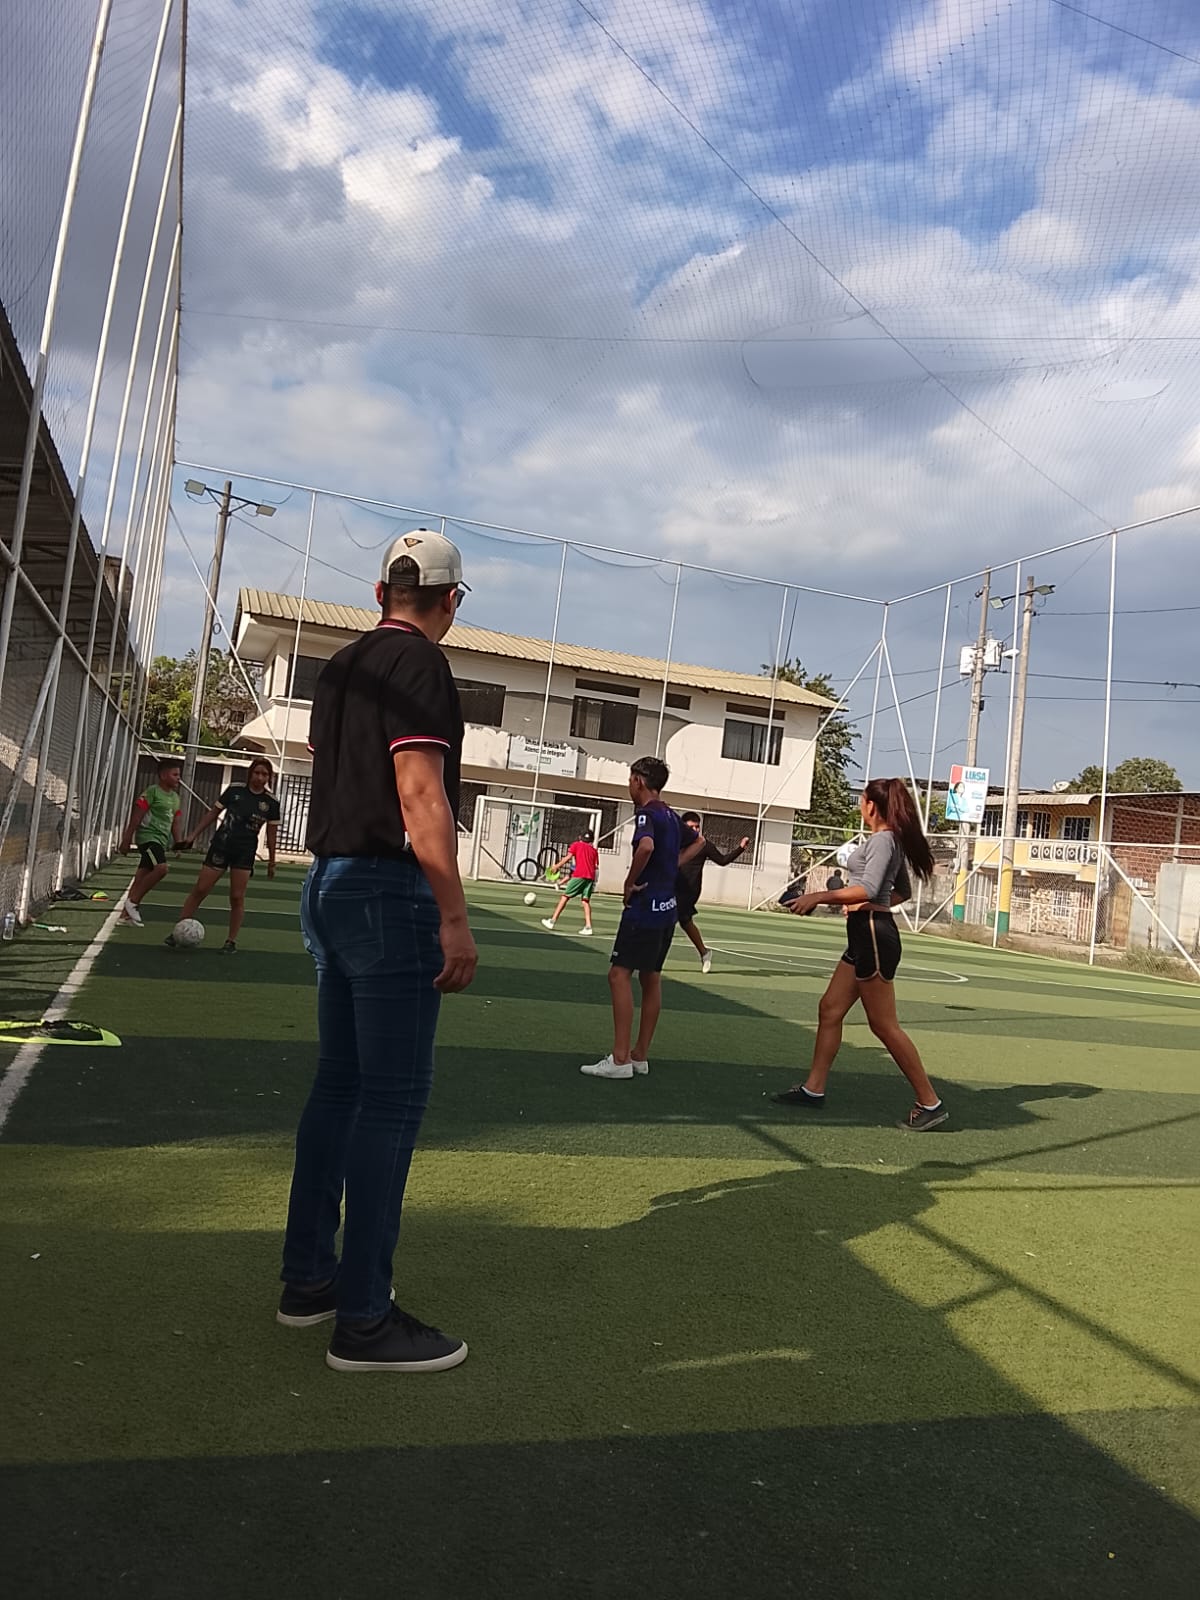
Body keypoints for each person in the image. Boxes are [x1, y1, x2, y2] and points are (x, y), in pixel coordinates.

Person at [278, 529, 477, 1374]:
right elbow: (419, 792)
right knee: (391, 1104)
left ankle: (309, 1280)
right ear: (451, 599)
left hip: (327, 884)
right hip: (386, 894)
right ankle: (364, 1319)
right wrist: (454, 915)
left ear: (379, 592)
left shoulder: (340, 667)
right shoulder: (421, 665)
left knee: (339, 1088)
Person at [771, 777, 947, 1131]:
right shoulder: (887, 840)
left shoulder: (883, 840)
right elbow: (900, 891)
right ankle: (813, 1089)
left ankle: (930, 1102)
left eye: (862, 800)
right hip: (865, 933)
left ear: (871, 806)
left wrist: (820, 896)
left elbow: (868, 888)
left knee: (883, 1024)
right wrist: (864, 904)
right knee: (830, 1008)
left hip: (873, 936)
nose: (860, 806)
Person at [581, 756, 681, 1080]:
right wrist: (669, 871)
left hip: (644, 908)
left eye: (629, 780)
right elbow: (699, 844)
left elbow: (646, 846)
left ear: (638, 780)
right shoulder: (672, 815)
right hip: (667, 908)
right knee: (651, 977)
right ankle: (639, 1055)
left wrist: (629, 882)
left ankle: (620, 1058)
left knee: (618, 975)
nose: (629, 786)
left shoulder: (646, 814)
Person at [166, 758, 281, 952]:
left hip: (244, 852)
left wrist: (272, 861)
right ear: (250, 773)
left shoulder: (271, 803)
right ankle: (178, 931)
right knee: (201, 889)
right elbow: (212, 814)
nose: (260, 777)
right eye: (257, 773)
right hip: (221, 846)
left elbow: (271, 834)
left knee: (237, 897)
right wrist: (193, 836)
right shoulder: (235, 790)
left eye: (265, 774)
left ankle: (231, 941)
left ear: (269, 777)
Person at [674, 812, 750, 973]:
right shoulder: (675, 842)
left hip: (690, 891)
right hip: (672, 887)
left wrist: (741, 848)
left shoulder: (704, 845)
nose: (695, 830)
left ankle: (650, 959)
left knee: (669, 919)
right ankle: (704, 952)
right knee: (685, 922)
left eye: (697, 827)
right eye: (691, 827)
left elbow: (722, 860)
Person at [117, 757, 185, 925]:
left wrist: (178, 843)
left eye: (179, 775)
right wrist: (127, 838)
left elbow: (176, 822)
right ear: (163, 775)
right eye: (175, 774)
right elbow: (137, 815)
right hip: (148, 838)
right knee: (161, 868)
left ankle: (125, 916)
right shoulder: (152, 792)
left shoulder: (175, 798)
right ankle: (133, 903)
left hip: (161, 840)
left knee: (141, 876)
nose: (178, 778)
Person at [541, 829, 599, 935]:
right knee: (585, 901)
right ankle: (588, 927)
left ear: (580, 837)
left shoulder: (576, 845)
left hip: (579, 874)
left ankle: (552, 921)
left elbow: (568, 858)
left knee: (565, 897)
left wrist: (556, 866)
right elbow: (596, 866)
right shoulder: (594, 851)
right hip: (590, 877)